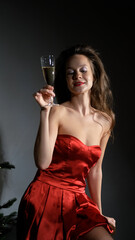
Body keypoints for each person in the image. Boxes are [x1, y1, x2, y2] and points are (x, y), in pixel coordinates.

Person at [17, 44, 116, 240]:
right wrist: (44, 112)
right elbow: (42, 163)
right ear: (65, 80)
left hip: (78, 201)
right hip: (45, 197)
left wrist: (99, 213)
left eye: (83, 70)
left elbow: (95, 170)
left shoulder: (106, 121)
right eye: (70, 73)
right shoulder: (57, 111)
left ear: (94, 75)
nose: (77, 76)